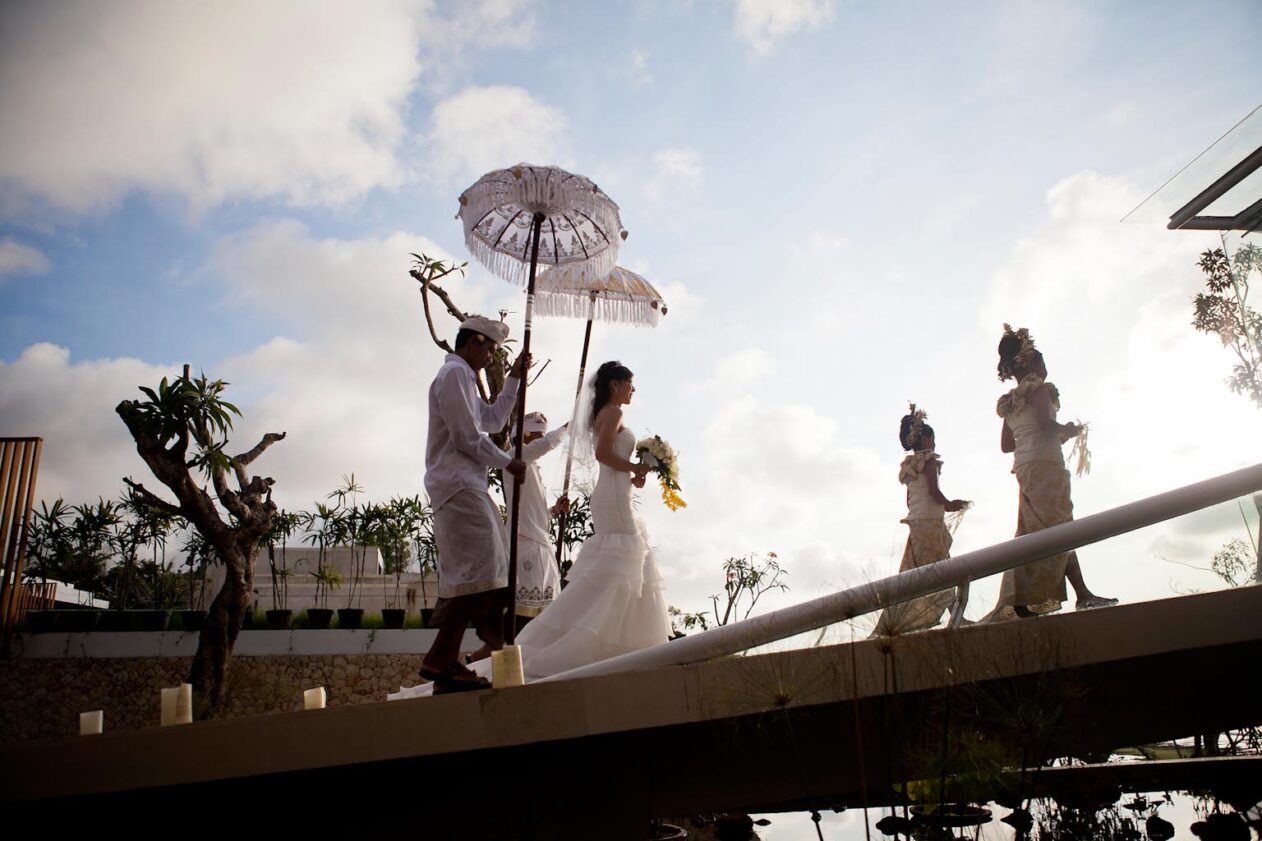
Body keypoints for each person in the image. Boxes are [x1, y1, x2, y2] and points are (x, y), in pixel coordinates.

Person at [388, 360, 672, 700]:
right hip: (540, 538)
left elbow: (541, 503)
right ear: (615, 385)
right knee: (603, 571)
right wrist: (620, 457)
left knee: (608, 571)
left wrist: (562, 506)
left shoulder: (536, 464)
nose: (633, 390)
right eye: (532, 434)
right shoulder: (522, 456)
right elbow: (598, 453)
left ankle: (610, 634)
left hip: (572, 520)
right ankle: (516, 653)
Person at [418, 315, 529, 694]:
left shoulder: (463, 377)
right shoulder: (453, 376)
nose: (491, 358)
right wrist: (506, 461)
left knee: (491, 564)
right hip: (457, 486)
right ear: (474, 342)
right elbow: (468, 437)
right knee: (478, 568)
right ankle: (451, 655)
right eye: (491, 350)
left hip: (468, 485)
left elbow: (493, 420)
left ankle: (488, 640)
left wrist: (514, 378)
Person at [986, 325, 1117, 621]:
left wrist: (1030, 434)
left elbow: (1007, 445)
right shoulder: (1040, 391)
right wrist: (1068, 431)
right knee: (1060, 528)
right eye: (1043, 363)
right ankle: (1081, 594)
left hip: (1025, 467)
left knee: (1033, 531)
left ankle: (1033, 596)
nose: (1045, 369)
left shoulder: (1010, 402)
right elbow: (1047, 426)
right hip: (1046, 465)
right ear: (1032, 363)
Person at [465, 411, 568, 663]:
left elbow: (534, 513)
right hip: (525, 545)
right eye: (537, 436)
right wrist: (569, 426)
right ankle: (486, 657)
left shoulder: (530, 467)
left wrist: (554, 511)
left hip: (539, 543)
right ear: (525, 435)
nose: (541, 440)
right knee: (521, 613)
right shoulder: (515, 458)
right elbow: (544, 446)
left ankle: (505, 657)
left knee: (541, 613)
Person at [871, 405, 970, 636]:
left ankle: (941, 616)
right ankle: (956, 616)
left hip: (917, 522)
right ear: (925, 439)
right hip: (929, 522)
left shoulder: (908, 467)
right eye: (932, 438)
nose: (934, 443)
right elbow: (934, 492)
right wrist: (950, 504)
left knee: (917, 572)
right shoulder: (930, 462)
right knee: (941, 570)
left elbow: (909, 498)